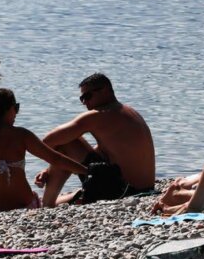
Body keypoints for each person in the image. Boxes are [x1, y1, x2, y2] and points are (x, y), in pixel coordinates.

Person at [0, 88, 88, 216]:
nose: (16, 113)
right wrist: (87, 171)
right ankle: (70, 196)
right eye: (15, 108)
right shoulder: (22, 135)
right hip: (27, 207)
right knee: (39, 199)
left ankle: (69, 196)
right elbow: (55, 159)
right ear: (5, 110)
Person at [34, 73, 156, 206]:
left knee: (66, 143)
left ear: (105, 90)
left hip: (123, 191)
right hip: (145, 190)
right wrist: (49, 169)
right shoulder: (129, 112)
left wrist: (54, 163)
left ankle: (46, 205)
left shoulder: (98, 115)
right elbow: (105, 151)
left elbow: (46, 142)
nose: (85, 102)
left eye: (87, 96)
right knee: (69, 143)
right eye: (82, 98)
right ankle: (56, 200)